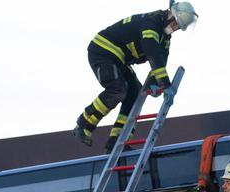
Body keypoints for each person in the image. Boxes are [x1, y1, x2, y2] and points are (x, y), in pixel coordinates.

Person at [72, 2, 198, 152]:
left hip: (119, 59)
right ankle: (83, 125)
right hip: (103, 51)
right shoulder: (151, 23)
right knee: (117, 90)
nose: (175, 28)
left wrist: (155, 82)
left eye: (179, 27)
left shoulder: (164, 39)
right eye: (175, 23)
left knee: (134, 93)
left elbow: (161, 61)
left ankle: (118, 141)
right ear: (170, 14)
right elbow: (152, 53)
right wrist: (165, 84)